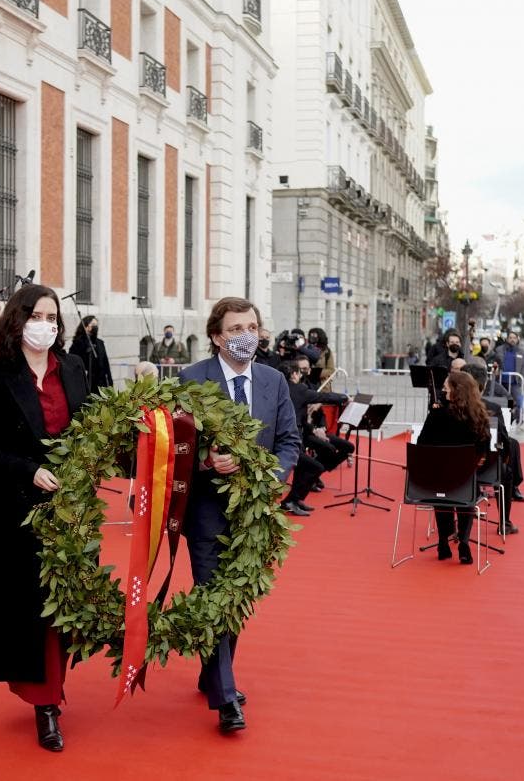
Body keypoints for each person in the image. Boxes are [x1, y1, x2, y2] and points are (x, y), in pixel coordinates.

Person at [0, 284, 89, 753]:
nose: (47, 324)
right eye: (38, 315)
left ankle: (53, 686)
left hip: (71, 508)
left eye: (53, 317)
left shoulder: (74, 367)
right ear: (18, 320)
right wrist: (30, 470)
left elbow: (94, 428)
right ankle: (46, 704)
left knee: (64, 602)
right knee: (31, 608)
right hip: (17, 508)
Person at [179, 296, 302, 734]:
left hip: (255, 513)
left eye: (251, 327)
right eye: (234, 329)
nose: (245, 335)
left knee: (237, 596)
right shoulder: (191, 379)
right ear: (216, 336)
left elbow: (290, 441)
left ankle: (212, 672)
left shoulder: (273, 380)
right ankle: (226, 696)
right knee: (214, 594)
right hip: (208, 509)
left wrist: (272, 474)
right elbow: (175, 448)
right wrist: (208, 460)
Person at [416, 370, 492, 563]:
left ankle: (443, 540)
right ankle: (464, 540)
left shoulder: (437, 413)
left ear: (455, 390)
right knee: (468, 488)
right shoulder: (479, 415)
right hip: (465, 477)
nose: (442, 390)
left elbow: (422, 444)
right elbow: (484, 448)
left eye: (445, 387)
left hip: (440, 477)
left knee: (441, 488)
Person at [282, 359, 351, 515]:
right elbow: (325, 397)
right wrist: (345, 398)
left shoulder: (280, 388)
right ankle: (291, 500)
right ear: (294, 374)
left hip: (300, 434)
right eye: (300, 371)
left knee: (311, 463)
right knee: (315, 467)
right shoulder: (297, 389)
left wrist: (314, 429)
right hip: (292, 438)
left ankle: (294, 500)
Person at [462, 363, 524, 531]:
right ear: (482, 386)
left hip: (451, 467)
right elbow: (502, 441)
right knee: (505, 471)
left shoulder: (446, 407)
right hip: (481, 467)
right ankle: (505, 523)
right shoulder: (491, 409)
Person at [69, 315, 113, 392]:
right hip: (86, 384)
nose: (95, 327)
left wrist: (110, 384)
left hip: (101, 385)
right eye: (93, 325)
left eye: (96, 325)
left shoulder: (100, 343)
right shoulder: (77, 343)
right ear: (86, 326)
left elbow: (106, 365)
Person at [499, 332, 524, 423]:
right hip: (501, 382)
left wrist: (520, 380)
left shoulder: (522, 352)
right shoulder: (499, 350)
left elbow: (523, 367)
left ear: (517, 339)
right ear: (507, 339)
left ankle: (519, 420)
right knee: (505, 402)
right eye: (510, 337)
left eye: (514, 338)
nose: (512, 339)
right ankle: (505, 420)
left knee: (518, 402)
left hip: (515, 382)